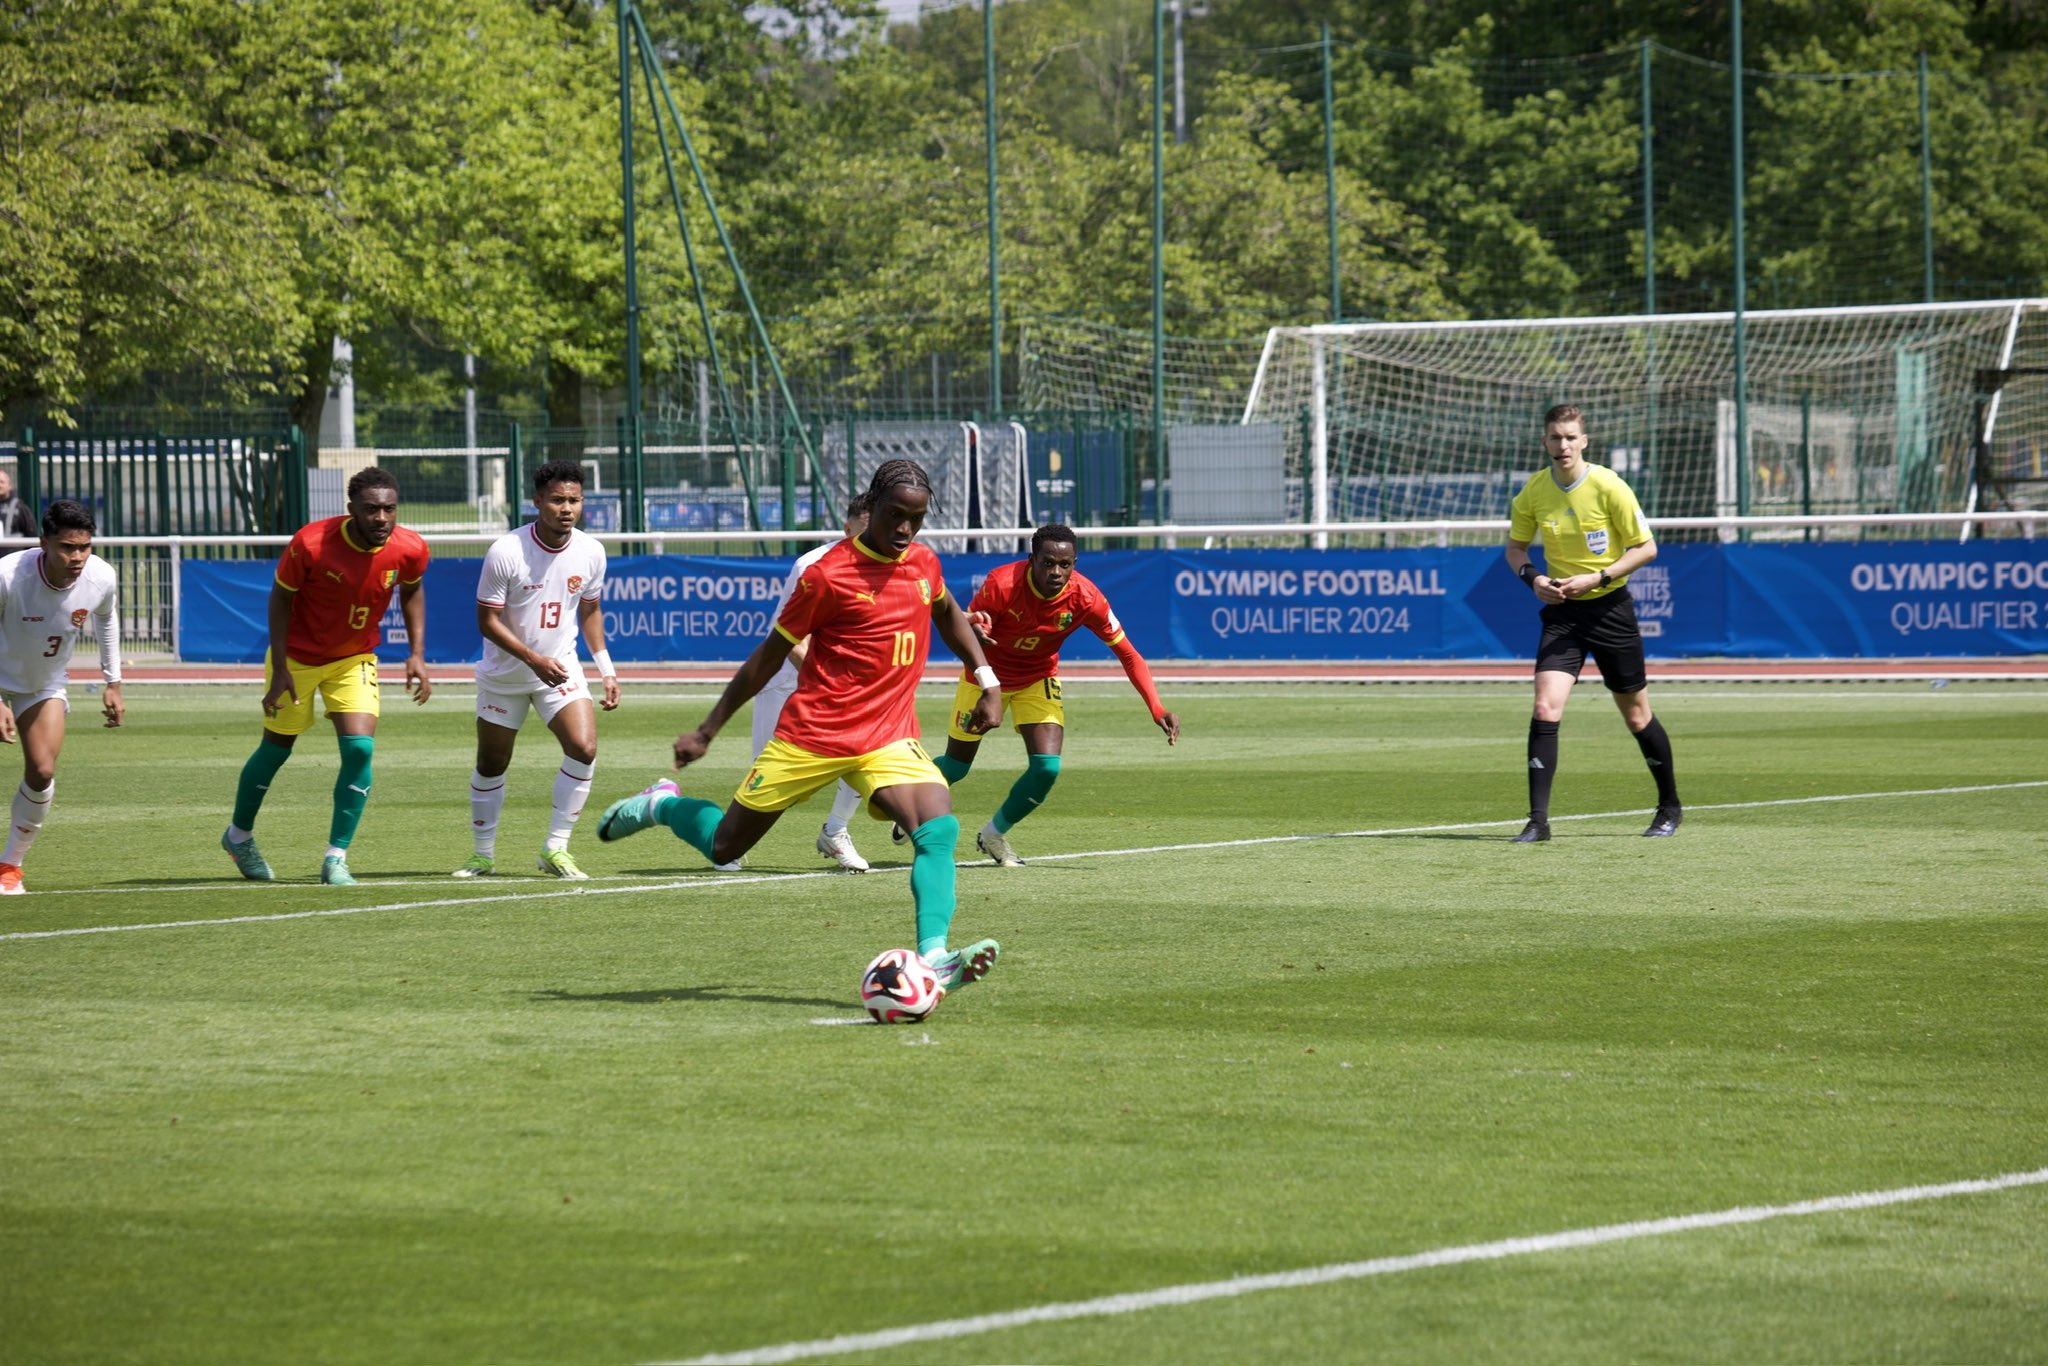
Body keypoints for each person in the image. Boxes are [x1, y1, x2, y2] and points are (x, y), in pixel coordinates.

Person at [594, 459, 1005, 993]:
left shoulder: (923, 562)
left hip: (888, 736)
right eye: (896, 516)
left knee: (938, 827)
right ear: (873, 507)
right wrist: (707, 730)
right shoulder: (827, 574)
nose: (906, 529)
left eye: (917, 519)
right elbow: (768, 657)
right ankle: (663, 804)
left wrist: (987, 678)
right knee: (725, 848)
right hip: (812, 735)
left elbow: (947, 610)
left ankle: (934, 957)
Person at [221, 466, 432, 885]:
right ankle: (238, 836)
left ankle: (336, 858)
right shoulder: (311, 543)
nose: (382, 519)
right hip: (296, 659)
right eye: (371, 510)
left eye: (390, 509)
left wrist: (416, 654)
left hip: (354, 659)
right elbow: (281, 599)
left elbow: (411, 590)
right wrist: (280, 668)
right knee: (276, 749)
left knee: (359, 750)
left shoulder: (409, 548)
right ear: (350, 508)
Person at [932, 522, 1180, 866]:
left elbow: (1129, 654)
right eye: (1048, 563)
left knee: (1046, 768)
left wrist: (1157, 707)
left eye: (1066, 565)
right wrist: (980, 631)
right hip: (986, 680)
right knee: (956, 769)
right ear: (1032, 559)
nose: (1057, 572)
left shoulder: (1086, 598)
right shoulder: (1002, 583)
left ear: (1075, 563)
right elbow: (970, 627)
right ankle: (908, 798)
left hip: (1037, 679)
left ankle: (993, 835)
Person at [1503, 403, 1682, 843]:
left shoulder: (1609, 486)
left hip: (1609, 610)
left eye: (1569, 437)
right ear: (1544, 442)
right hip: (1563, 614)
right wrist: (1535, 579)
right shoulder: (1534, 492)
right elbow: (1515, 549)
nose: (1562, 445)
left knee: (1637, 716)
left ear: (1584, 441)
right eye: (1554, 437)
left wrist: (1598, 577)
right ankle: (1538, 821)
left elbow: (1646, 548)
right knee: (1545, 707)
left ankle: (1669, 806)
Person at [454, 461, 617, 881]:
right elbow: (486, 622)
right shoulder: (506, 551)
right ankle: (482, 856)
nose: (567, 508)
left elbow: (591, 609)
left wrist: (606, 669)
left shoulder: (591, 551)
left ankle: (556, 848)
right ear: (537, 501)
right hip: (506, 676)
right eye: (558, 500)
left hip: (560, 670)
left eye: (575, 500)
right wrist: (533, 659)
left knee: (584, 747)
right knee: (492, 762)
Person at [0, 500, 124, 894]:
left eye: (84, 547)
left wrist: (113, 682)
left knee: (43, 771)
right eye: (66, 547)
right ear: (43, 543)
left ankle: (9, 867)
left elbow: (106, 619)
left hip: (42, 685)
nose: (76, 556)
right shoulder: (8, 576)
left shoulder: (101, 576)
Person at [754, 493, 875, 873]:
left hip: (843, 684)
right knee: (767, 780)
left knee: (867, 753)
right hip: (788, 679)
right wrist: (825, 678)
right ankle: (722, 836)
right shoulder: (812, 565)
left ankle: (835, 831)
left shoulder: (888, 567)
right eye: (866, 530)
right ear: (847, 528)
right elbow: (789, 636)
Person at [0, 471, 34, 540]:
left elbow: (31, 533)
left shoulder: (20, 507)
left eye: (2, 482)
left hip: (15, 550)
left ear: (10, 486)